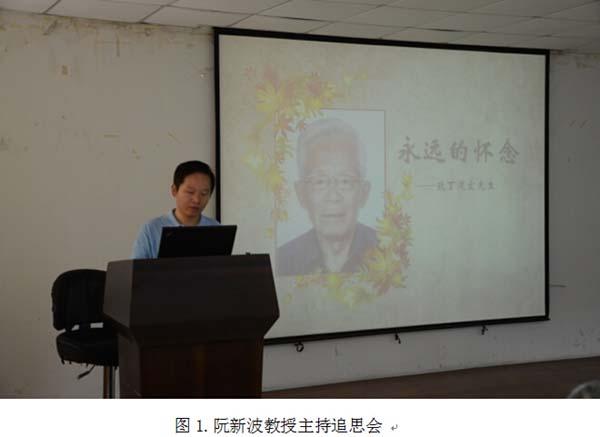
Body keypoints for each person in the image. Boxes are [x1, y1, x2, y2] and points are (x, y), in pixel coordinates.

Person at [276, 118, 377, 276]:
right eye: (320, 181)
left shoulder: (390, 254)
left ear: (364, 193)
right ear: (301, 194)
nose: (333, 196)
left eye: (345, 181)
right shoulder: (282, 261)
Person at [132, 160, 220, 259]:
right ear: (174, 190)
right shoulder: (151, 229)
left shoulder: (216, 229)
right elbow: (137, 267)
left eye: (204, 193)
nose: (196, 200)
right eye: (190, 192)